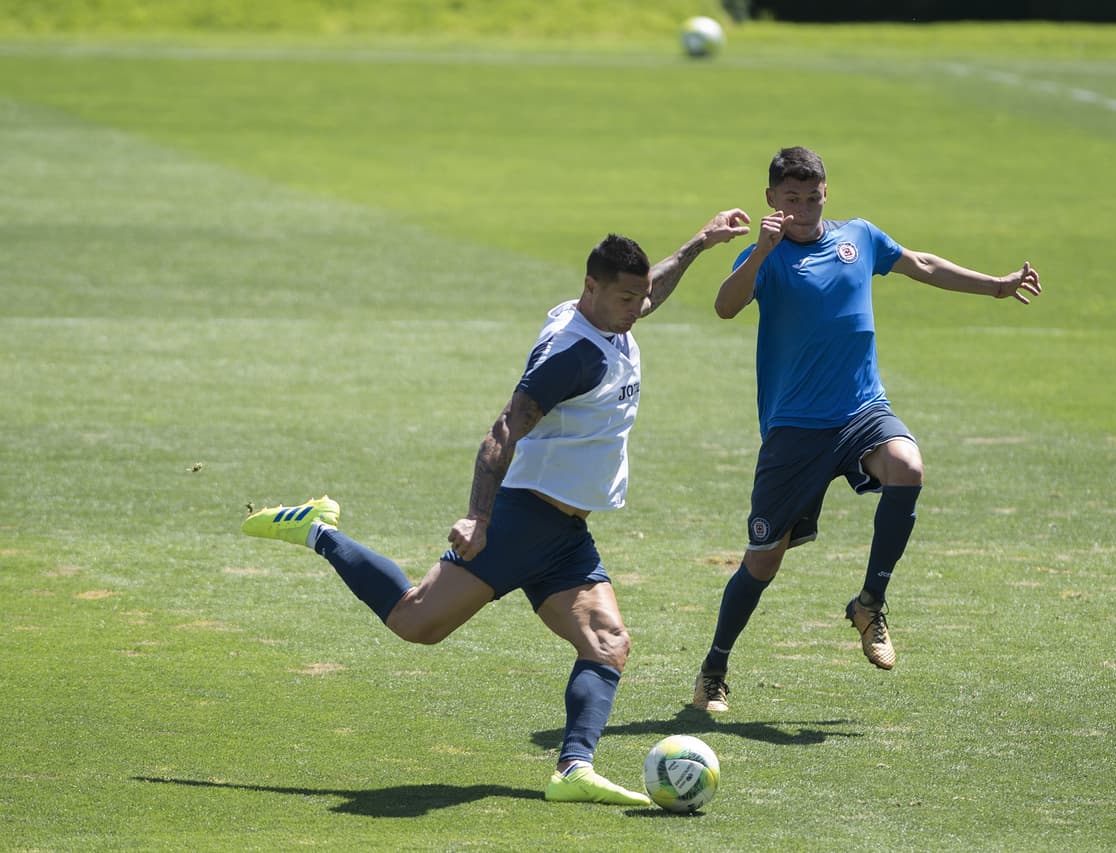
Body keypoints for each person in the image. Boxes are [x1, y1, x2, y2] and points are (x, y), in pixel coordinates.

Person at [242, 210, 749, 805]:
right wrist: (478, 516)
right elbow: (504, 430)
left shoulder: (608, 317)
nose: (637, 307)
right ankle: (319, 532)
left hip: (565, 533)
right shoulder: (573, 355)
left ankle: (573, 772)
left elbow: (652, 289)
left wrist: (700, 243)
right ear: (591, 289)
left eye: (638, 295)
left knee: (608, 643)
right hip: (520, 520)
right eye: (624, 296)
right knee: (414, 624)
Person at [692, 147, 1041, 713]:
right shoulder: (770, 256)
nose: (802, 208)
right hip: (795, 429)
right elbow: (725, 307)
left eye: (812, 196)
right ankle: (714, 667)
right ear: (771, 201)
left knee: (908, 466)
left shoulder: (860, 238)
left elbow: (921, 264)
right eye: (790, 198)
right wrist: (760, 251)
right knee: (763, 561)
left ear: (826, 192)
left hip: (861, 410)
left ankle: (869, 602)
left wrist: (996, 287)